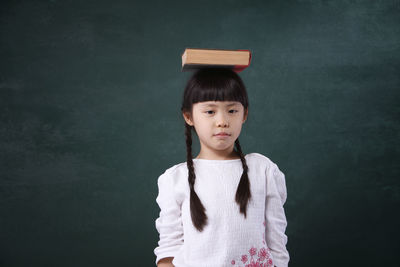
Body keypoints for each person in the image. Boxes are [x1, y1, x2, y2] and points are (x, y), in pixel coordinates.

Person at [154, 68, 290, 267]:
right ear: (189, 116)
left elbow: (277, 243)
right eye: (210, 111)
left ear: (244, 114)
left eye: (232, 110)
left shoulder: (263, 170)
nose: (222, 122)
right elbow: (168, 249)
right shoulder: (175, 179)